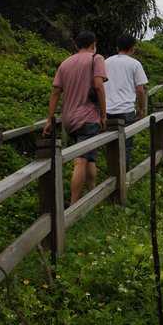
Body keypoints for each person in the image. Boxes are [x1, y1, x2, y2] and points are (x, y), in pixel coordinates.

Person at [43, 31, 107, 205]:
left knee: (89, 157)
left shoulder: (65, 63)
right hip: (88, 117)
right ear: (93, 44)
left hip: (69, 120)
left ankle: (93, 193)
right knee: (81, 160)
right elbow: (99, 87)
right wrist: (103, 115)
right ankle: (73, 207)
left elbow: (56, 92)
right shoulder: (96, 59)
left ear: (76, 46)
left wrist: (49, 120)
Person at [104, 34, 148, 170]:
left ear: (117, 47)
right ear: (133, 49)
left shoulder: (105, 62)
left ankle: (111, 177)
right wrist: (141, 109)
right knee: (126, 146)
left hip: (106, 110)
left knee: (110, 146)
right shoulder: (135, 64)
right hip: (126, 111)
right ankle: (122, 180)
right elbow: (140, 90)